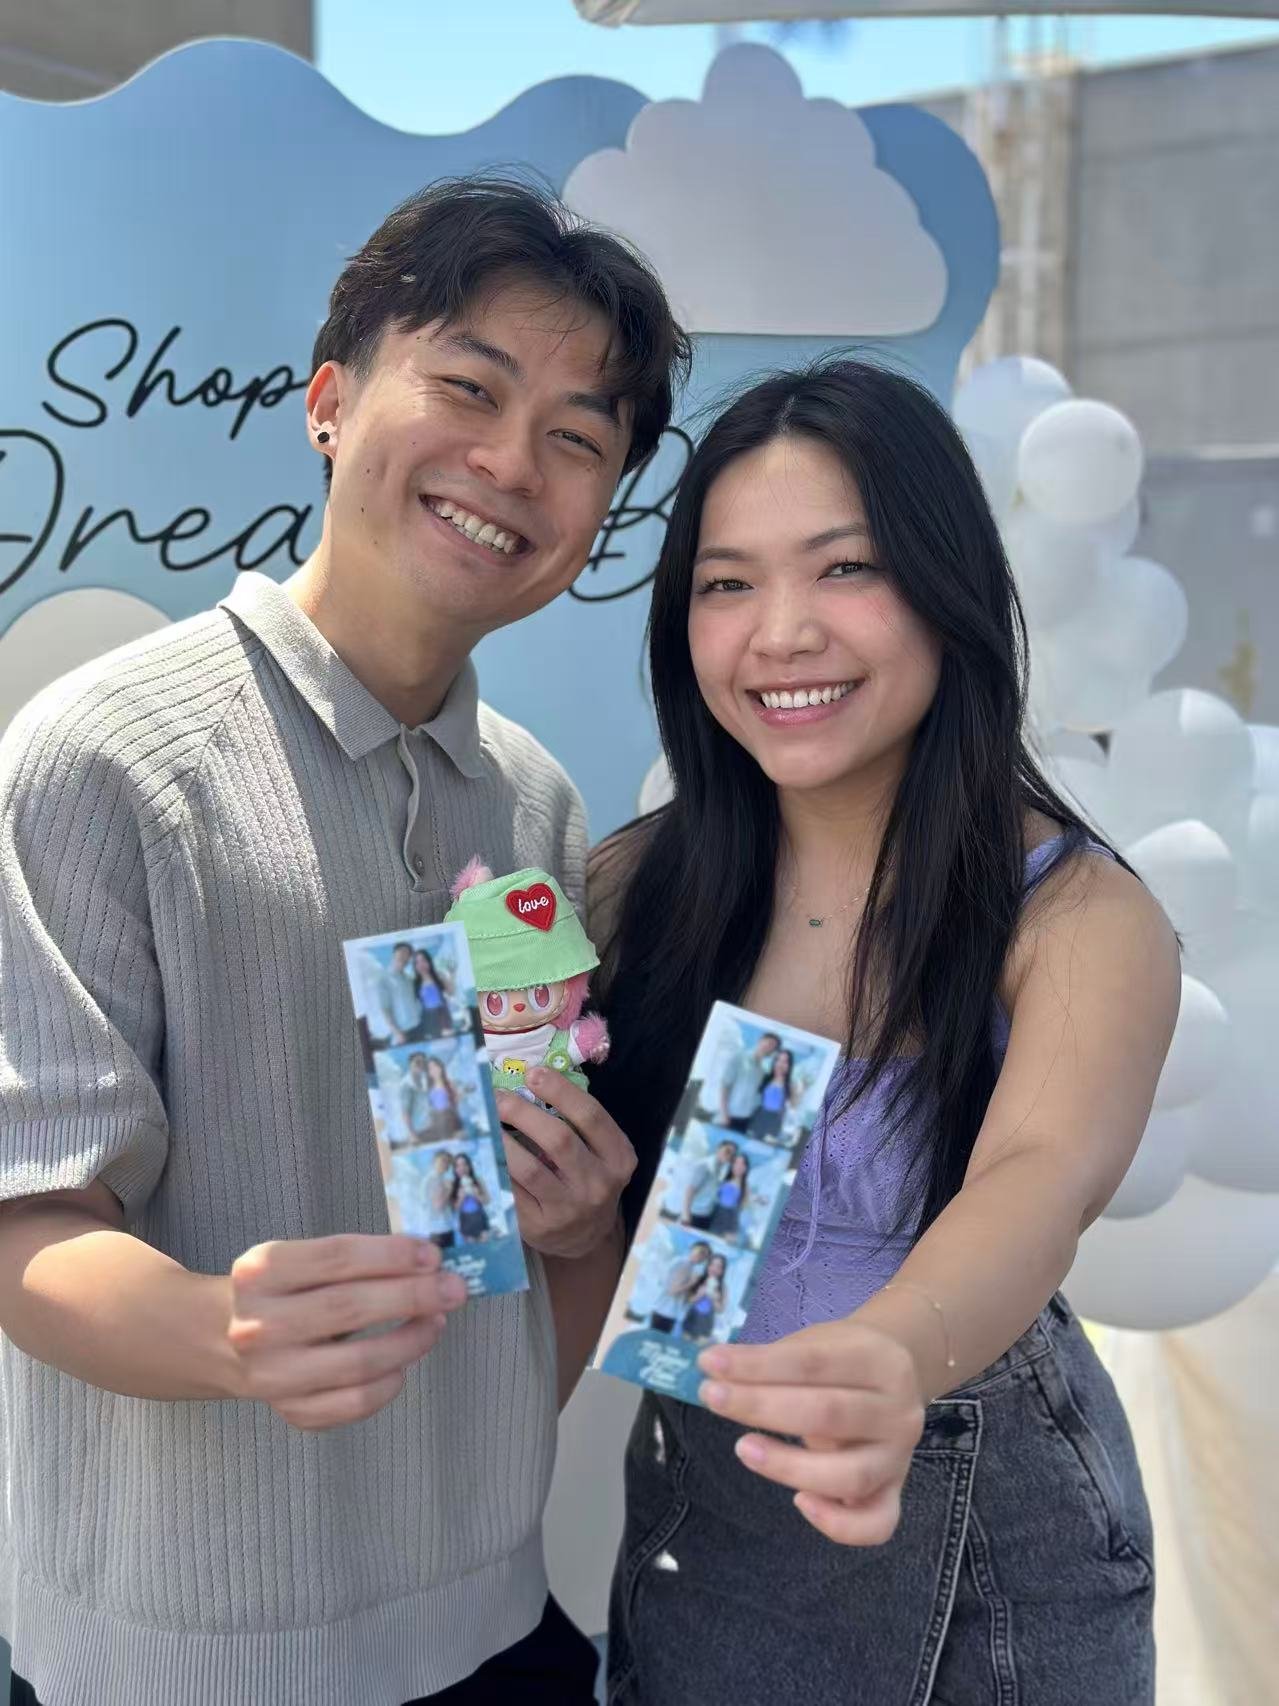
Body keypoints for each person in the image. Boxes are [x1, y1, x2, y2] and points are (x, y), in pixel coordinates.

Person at [0, 174, 688, 1706]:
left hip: (492, 1617)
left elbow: (518, 1291)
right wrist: (217, 1323)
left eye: (578, 438)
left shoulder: (536, 807)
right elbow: (24, 1230)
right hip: (188, 1655)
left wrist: (575, 1229)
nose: (510, 463)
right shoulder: (102, 757)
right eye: (466, 387)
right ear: (329, 401)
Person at [588, 360, 1180, 1704]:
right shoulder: (631, 887)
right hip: (700, 1512)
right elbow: (588, 1213)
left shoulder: (1076, 913)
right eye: (725, 583)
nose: (779, 631)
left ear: (942, 584)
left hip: (983, 1541)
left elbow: (1038, 1176)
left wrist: (892, 1354)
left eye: (840, 568)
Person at [717, 1031, 778, 1131]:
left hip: (746, 1120)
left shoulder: (762, 1071)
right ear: (760, 1040)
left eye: (773, 1047)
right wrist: (724, 1114)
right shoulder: (739, 1058)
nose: (770, 1047)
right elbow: (724, 1086)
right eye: (769, 1043)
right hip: (728, 1116)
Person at [648, 1240, 711, 1335]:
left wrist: (699, 1294)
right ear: (692, 1249)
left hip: (666, 1312)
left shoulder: (687, 1265)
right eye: (701, 1252)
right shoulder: (684, 1264)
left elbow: (681, 1296)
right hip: (664, 1312)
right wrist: (691, 1282)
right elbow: (672, 1290)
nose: (702, 1257)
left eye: (705, 1256)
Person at [373, 940, 426, 1046]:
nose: (405, 956)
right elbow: (384, 1008)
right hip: (402, 1034)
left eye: (408, 954)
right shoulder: (383, 979)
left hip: (419, 1027)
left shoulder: (409, 979)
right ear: (394, 953)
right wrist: (397, 1033)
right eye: (402, 952)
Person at [680, 1137, 737, 1231]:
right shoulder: (704, 1165)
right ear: (718, 1148)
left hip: (707, 1214)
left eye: (732, 1154)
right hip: (693, 1214)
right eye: (727, 1151)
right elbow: (689, 1190)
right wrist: (686, 1216)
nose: (729, 1156)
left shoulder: (723, 1169)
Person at [678, 1253, 728, 1344]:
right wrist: (698, 1296)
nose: (714, 1269)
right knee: (684, 1348)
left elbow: (721, 1310)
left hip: (706, 1325)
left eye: (718, 1267)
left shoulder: (723, 1287)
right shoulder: (698, 1278)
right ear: (708, 1266)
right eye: (712, 1264)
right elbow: (687, 1300)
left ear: (722, 1271)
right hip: (691, 1320)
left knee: (697, 1353)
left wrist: (714, 1298)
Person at [748, 1048, 793, 1142]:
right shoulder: (765, 1078)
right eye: (778, 1060)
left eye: (785, 1062)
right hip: (760, 1116)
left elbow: (790, 1110)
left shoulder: (790, 1086)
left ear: (789, 1065)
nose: (780, 1064)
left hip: (775, 1120)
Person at [707, 1152, 752, 1242]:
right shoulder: (723, 1179)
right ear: (732, 1165)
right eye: (736, 1163)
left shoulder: (746, 1187)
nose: (738, 1166)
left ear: (746, 1168)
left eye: (742, 1164)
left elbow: (744, 1208)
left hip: (730, 1220)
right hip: (715, 1216)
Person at [451, 1153, 492, 1244]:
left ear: (469, 1166)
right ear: (455, 1169)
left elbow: (487, 1201)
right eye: (458, 1165)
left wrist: (476, 1195)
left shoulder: (478, 1180)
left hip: (480, 1216)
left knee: (486, 1246)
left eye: (464, 1164)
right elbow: (454, 1209)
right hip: (465, 1219)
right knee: (473, 1247)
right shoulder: (453, 1185)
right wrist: (461, 1198)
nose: (462, 1168)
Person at [413, 948, 453, 1040]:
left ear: (429, 961)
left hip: (442, 1014)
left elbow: (450, 992)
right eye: (417, 962)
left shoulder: (439, 975)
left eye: (423, 960)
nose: (421, 964)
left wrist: (451, 976)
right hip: (427, 1017)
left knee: (448, 1040)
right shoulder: (415, 983)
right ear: (415, 966)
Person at [424, 1150, 458, 1250]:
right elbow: (438, 1206)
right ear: (434, 1161)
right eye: (443, 1161)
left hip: (442, 1228)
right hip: (439, 1231)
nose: (446, 1164)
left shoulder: (439, 1178)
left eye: (448, 1162)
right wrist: (449, 1189)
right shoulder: (433, 1180)